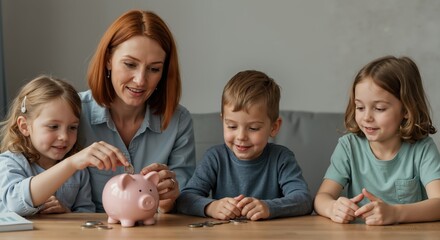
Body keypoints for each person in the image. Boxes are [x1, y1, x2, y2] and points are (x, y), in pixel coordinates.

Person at [78, 9, 195, 213]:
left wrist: (171, 199)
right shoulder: (74, 114)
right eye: (130, 64)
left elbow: (185, 198)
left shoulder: (179, 121)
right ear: (108, 60)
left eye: (154, 69)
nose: (141, 80)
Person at [314, 56, 440, 225]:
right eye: (359, 107)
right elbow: (321, 197)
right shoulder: (348, 146)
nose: (366, 117)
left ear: (407, 110)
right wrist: (332, 208)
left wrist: (395, 213)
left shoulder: (422, 148)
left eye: (379, 108)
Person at [176, 70, 312, 220]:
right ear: (223, 121)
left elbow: (304, 200)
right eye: (232, 126)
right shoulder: (214, 158)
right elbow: (185, 199)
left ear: (274, 127)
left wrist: (269, 207)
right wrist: (211, 207)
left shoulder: (282, 158)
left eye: (253, 128)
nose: (241, 137)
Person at [0, 75, 127, 216]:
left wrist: (66, 212)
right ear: (24, 126)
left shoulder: (78, 172)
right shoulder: (9, 163)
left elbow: (86, 214)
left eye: (72, 127)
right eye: (53, 126)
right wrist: (70, 164)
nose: (64, 137)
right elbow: (14, 204)